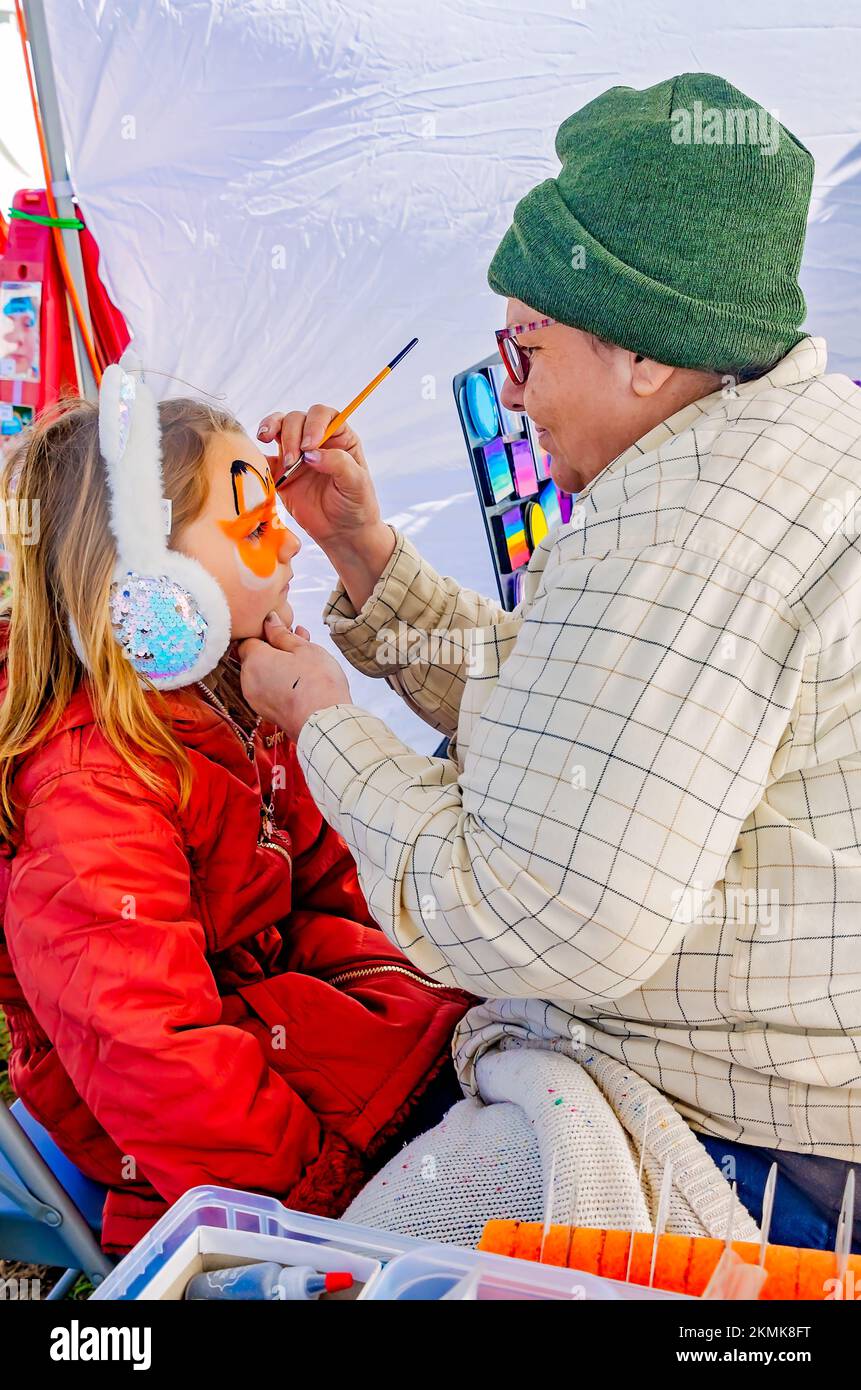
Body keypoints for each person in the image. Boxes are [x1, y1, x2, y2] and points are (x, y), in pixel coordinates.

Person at [239, 73, 861, 1249]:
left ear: (641, 352)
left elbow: (543, 909)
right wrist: (369, 558)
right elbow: (593, 719)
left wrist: (326, 722)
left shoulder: (690, 526)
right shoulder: (773, 445)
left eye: (524, 348)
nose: (510, 394)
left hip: (766, 1153)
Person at [0, 390, 471, 1255]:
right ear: (153, 587)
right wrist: (313, 1207)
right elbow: (154, 1059)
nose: (290, 542)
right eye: (254, 530)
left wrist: (432, 969)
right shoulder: (87, 792)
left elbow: (335, 874)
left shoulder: (230, 692)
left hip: (279, 1019)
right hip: (214, 1143)